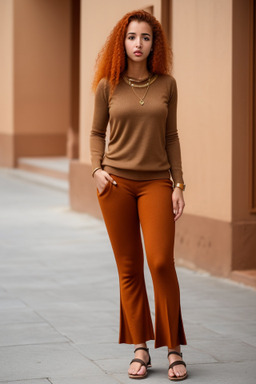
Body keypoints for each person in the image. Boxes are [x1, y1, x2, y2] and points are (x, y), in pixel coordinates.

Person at [90, 10, 188, 381]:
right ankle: (140, 347)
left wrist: (178, 185)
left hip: (155, 184)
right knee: (129, 269)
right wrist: (96, 170)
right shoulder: (108, 86)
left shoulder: (167, 84)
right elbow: (97, 132)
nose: (138, 44)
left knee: (161, 261)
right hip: (115, 185)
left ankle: (174, 347)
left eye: (145, 38)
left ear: (154, 44)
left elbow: (172, 137)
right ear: (123, 41)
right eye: (132, 37)